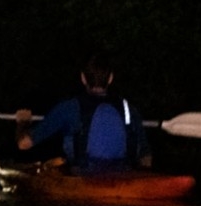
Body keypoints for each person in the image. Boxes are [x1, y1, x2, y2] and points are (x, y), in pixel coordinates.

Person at [14, 51, 153, 173]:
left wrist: (23, 123)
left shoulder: (69, 108)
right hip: (124, 179)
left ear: (83, 78)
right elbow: (145, 158)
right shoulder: (129, 109)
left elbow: (23, 144)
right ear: (110, 78)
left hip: (83, 178)